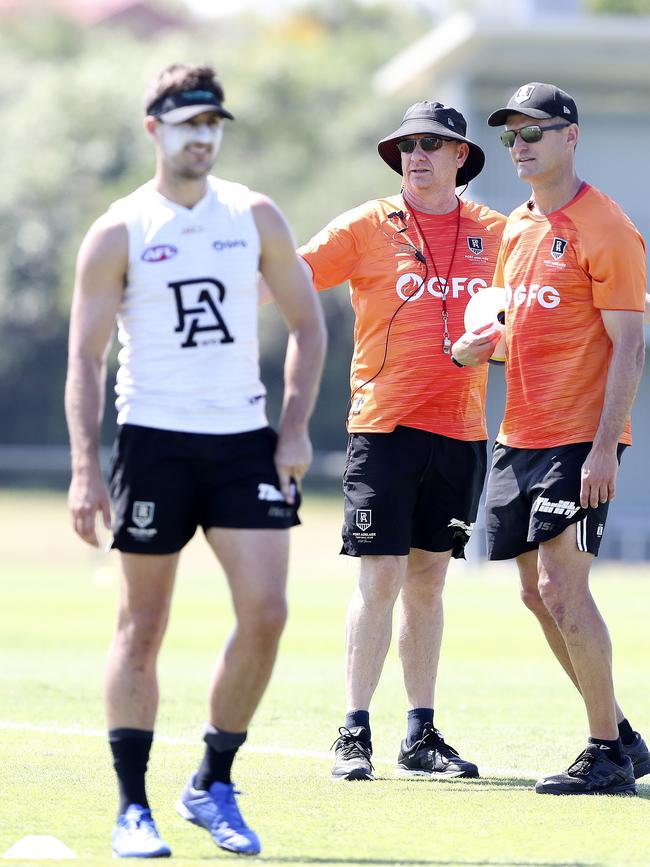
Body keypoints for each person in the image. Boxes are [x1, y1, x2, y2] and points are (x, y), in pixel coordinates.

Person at [65, 63, 325, 857]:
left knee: (268, 612)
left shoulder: (254, 215)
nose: (203, 137)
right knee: (141, 623)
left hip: (242, 441)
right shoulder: (119, 229)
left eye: (214, 124)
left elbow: (310, 326)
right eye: (188, 124)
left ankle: (212, 780)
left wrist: (292, 428)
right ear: (155, 129)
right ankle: (131, 806)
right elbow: (85, 358)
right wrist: (84, 466)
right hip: (154, 441)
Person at [297, 101, 506, 781]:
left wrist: (492, 349)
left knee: (428, 580)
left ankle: (421, 734)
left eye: (431, 144)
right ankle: (352, 731)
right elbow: (290, 276)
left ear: (460, 158)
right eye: (406, 145)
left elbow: (530, 324)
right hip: (383, 428)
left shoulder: (499, 235)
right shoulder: (366, 225)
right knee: (379, 574)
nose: (415, 154)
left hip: (461, 433)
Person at [453, 82, 649, 795]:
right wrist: (483, 347)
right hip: (520, 435)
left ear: (571, 136)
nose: (521, 145)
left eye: (536, 131)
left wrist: (604, 449)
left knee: (562, 588)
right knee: (537, 596)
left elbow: (630, 346)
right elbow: (516, 327)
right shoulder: (518, 228)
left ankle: (603, 753)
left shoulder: (608, 226)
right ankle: (623, 734)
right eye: (511, 135)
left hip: (580, 438)